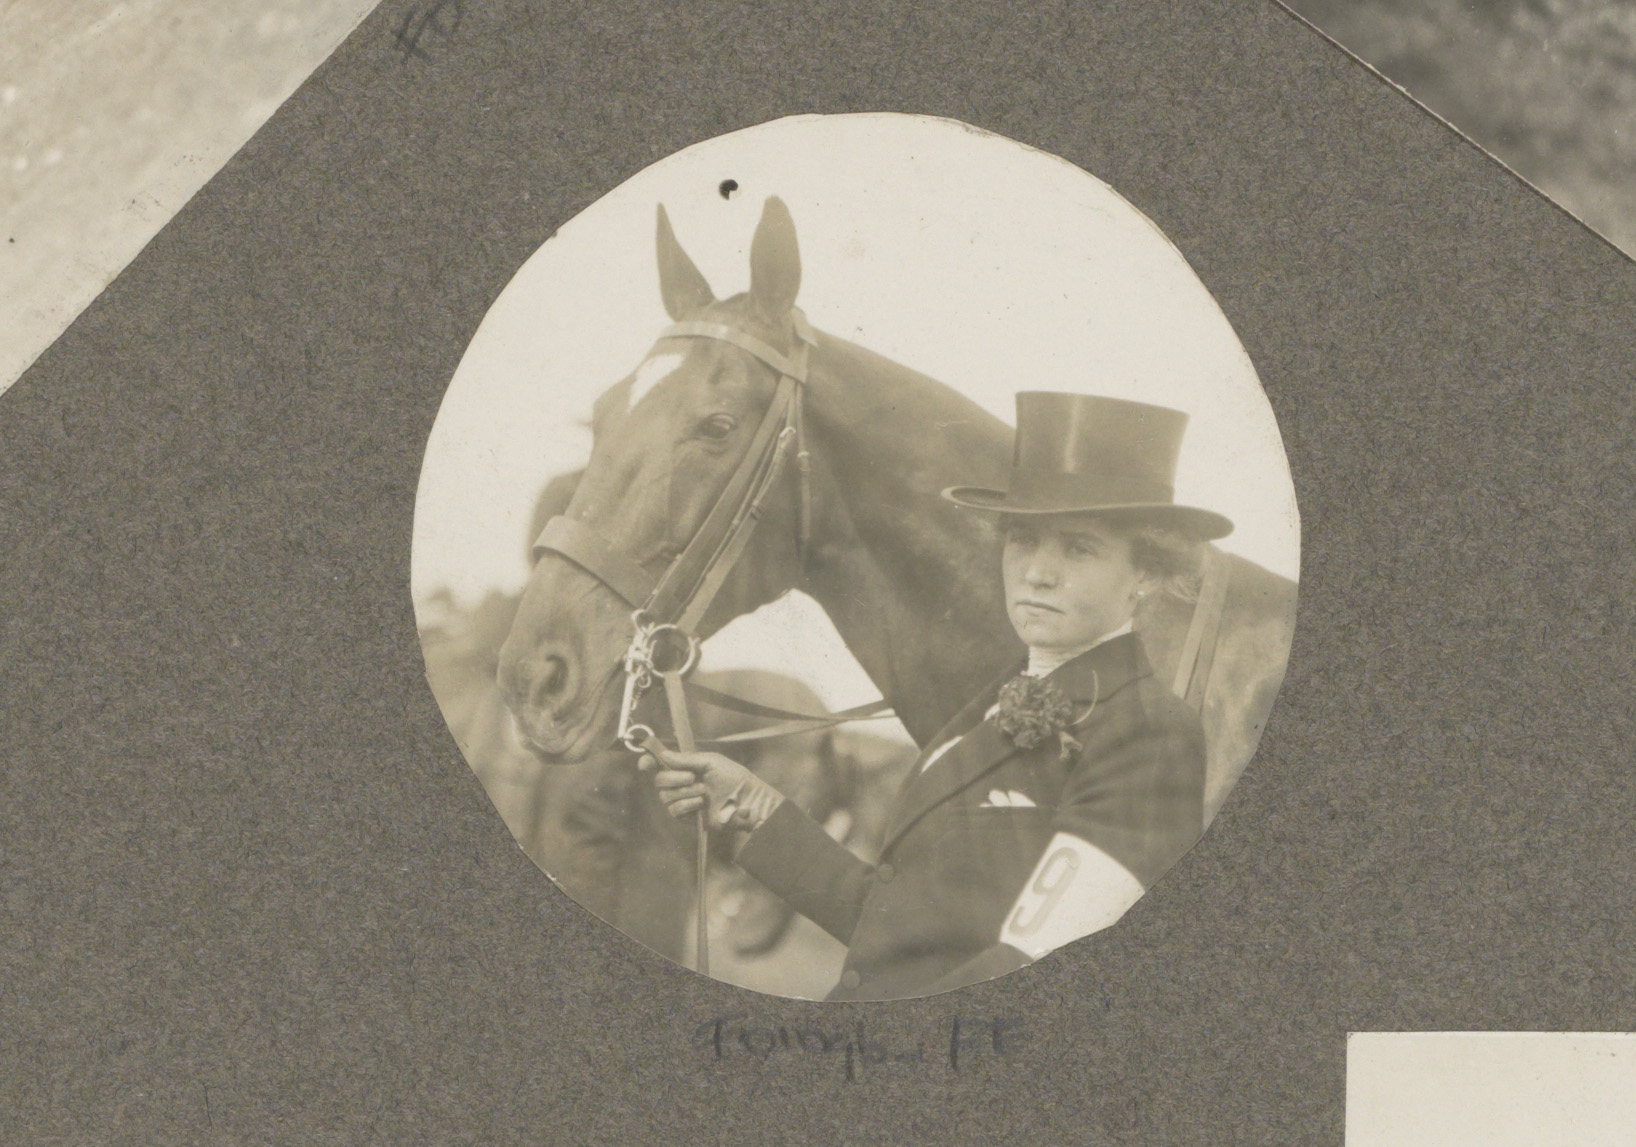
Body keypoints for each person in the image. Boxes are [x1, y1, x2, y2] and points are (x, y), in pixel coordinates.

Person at [643, 392, 1234, 1000]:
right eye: (1022, 539)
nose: (1037, 572)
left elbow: (1036, 964)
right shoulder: (986, 708)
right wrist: (753, 802)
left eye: (1079, 548)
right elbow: (898, 926)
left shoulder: (1146, 730)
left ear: (1147, 574)